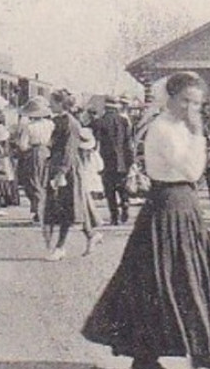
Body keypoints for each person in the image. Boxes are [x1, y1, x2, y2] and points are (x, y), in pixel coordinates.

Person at [83, 71, 210, 369]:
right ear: (170, 99)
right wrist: (198, 137)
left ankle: (201, 348)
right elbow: (193, 169)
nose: (190, 108)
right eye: (185, 101)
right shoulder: (163, 129)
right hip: (167, 204)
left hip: (185, 205)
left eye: (196, 102)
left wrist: (195, 135)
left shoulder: (182, 126)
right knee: (159, 279)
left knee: (199, 271)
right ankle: (145, 359)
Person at [42, 90, 100, 258]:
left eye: (52, 102)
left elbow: (69, 149)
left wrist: (61, 172)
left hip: (67, 169)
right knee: (70, 206)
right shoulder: (60, 120)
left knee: (66, 207)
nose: (49, 105)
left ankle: (60, 248)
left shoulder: (70, 123)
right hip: (59, 166)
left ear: (61, 103)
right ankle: (91, 235)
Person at [92, 96, 136, 226]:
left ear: (105, 107)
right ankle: (125, 204)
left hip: (106, 160)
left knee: (109, 190)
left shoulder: (100, 121)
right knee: (123, 186)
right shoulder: (124, 121)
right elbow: (129, 141)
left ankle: (114, 216)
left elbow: (95, 141)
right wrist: (131, 160)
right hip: (123, 160)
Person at [14, 96, 54, 224]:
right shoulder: (51, 124)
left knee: (33, 181)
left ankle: (38, 211)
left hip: (34, 154)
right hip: (48, 152)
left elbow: (22, 145)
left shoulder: (29, 127)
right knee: (45, 181)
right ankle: (47, 211)